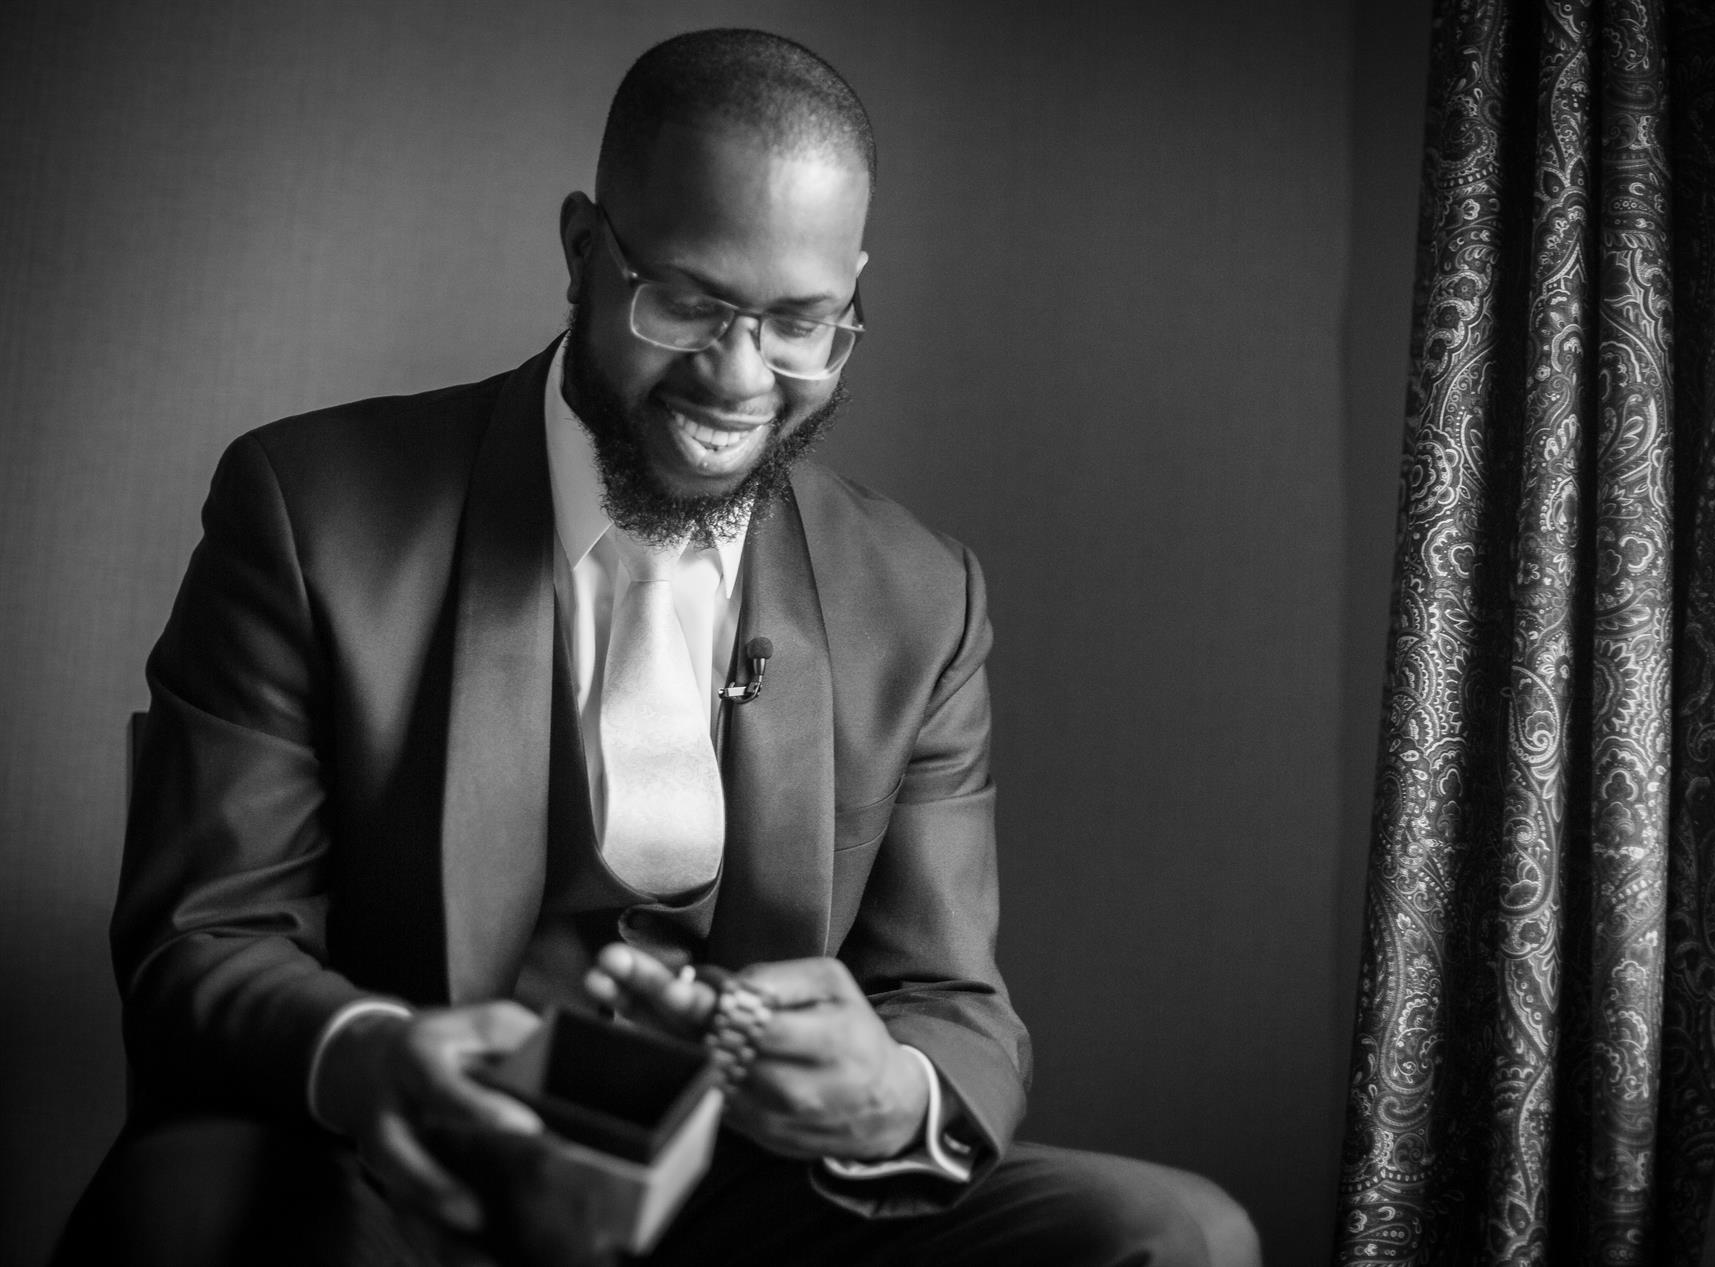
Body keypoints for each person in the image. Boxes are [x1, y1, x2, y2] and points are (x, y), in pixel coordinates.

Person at [58, 28, 1260, 1267]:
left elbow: (951, 1002)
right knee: (193, 1213)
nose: (739, 378)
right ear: (584, 250)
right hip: (395, 1173)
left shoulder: (922, 597)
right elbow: (206, 937)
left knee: (1175, 1235)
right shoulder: (309, 510)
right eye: (686, 302)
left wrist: (891, 1090)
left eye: (801, 322)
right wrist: (373, 1055)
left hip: (738, 1196)